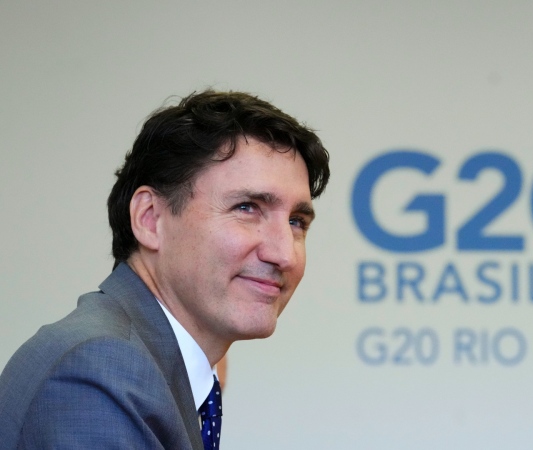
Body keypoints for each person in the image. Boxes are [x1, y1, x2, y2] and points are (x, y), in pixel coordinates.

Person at [0, 90, 330, 449]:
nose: (285, 254)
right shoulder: (99, 370)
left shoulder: (154, 368)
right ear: (150, 219)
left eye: (297, 222)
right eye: (247, 208)